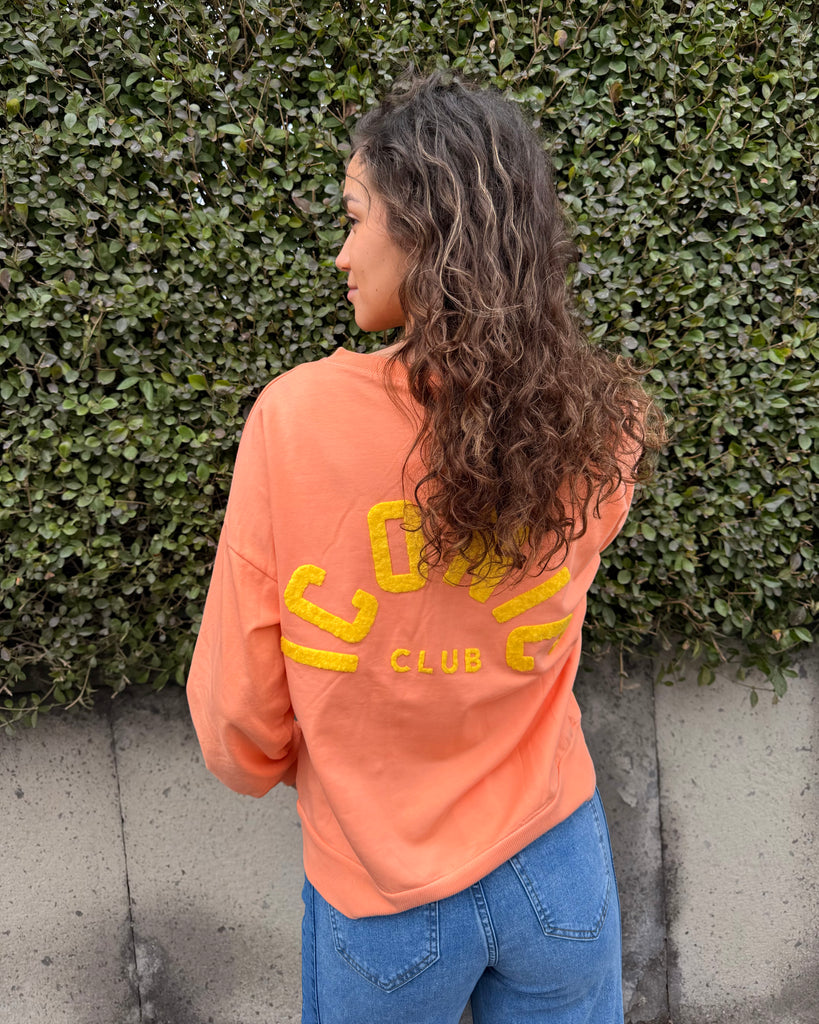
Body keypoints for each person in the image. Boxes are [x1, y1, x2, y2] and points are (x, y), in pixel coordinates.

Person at [187, 72, 663, 1024]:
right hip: (556, 859)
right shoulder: (603, 422)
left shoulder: (295, 421)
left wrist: (279, 763)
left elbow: (239, 712)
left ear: (425, 229)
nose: (340, 253)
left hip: (382, 888)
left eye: (354, 217)